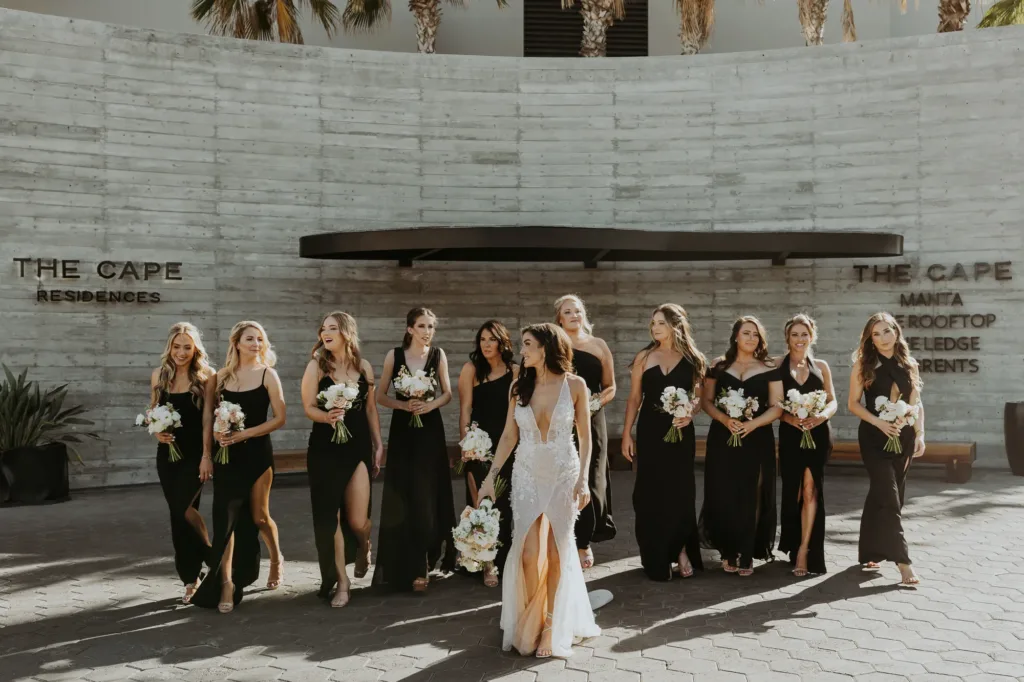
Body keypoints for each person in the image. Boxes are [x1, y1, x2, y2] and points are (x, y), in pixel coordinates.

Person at [479, 323, 601, 658]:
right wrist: (491, 475)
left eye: (528, 344)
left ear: (547, 347)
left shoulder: (575, 385)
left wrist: (583, 480)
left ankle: (549, 625)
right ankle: (531, 618)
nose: (523, 351)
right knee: (529, 554)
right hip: (527, 474)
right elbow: (508, 436)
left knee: (557, 551)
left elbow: (586, 438)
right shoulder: (519, 387)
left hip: (564, 473)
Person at [192, 321, 287, 612]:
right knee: (225, 522)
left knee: (259, 517)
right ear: (236, 343)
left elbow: (279, 418)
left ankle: (275, 559)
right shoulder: (219, 378)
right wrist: (207, 452)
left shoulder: (268, 375)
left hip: (257, 454)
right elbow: (208, 418)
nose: (256, 344)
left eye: (260, 339)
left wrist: (245, 433)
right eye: (250, 339)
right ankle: (227, 584)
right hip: (226, 458)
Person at [301, 312, 383, 607]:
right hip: (324, 448)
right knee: (330, 516)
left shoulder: (364, 367)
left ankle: (363, 545)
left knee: (358, 519)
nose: (326, 333)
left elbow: (371, 410)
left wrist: (378, 444)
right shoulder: (317, 366)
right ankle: (342, 582)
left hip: (358, 445)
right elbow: (308, 406)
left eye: (333, 328)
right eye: (323, 328)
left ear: (347, 332)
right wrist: (327, 416)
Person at [372, 307, 457, 592]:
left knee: (427, 494)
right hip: (403, 430)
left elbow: (447, 393)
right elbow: (380, 395)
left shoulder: (438, 355)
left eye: (431, 326)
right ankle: (404, 564)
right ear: (410, 329)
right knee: (404, 494)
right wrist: (403, 404)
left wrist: (429, 405)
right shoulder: (393, 356)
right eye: (422, 326)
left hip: (430, 431)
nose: (427, 331)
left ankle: (425, 565)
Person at [621, 304, 706, 581]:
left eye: (660, 323)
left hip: (680, 434)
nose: (655, 328)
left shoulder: (693, 358)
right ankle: (656, 556)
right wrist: (626, 434)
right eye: (653, 323)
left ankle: (681, 550)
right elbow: (634, 399)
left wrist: (689, 413)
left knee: (680, 493)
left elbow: (698, 399)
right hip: (650, 432)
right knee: (650, 494)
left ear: (675, 325)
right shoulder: (644, 356)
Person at [699, 316, 783, 577]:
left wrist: (752, 424)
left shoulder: (770, 367)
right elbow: (707, 401)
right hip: (723, 437)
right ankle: (729, 550)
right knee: (724, 492)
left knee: (753, 493)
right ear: (736, 336)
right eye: (746, 333)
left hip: (757, 437)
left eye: (755, 334)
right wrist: (726, 419)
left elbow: (778, 407)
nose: (751, 338)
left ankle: (747, 552)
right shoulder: (718, 366)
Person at [847, 312, 925, 586]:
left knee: (887, 494)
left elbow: (916, 402)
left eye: (886, 331)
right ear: (869, 338)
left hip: (902, 438)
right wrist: (880, 422)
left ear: (896, 332)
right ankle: (904, 563)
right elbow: (853, 404)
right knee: (889, 497)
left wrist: (919, 433)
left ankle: (871, 551)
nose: (882, 338)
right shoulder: (863, 365)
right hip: (873, 436)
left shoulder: (910, 364)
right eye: (876, 334)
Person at [149, 322, 215, 604]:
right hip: (168, 455)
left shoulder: (207, 377)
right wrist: (157, 432)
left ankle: (211, 556)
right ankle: (191, 578)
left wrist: (206, 456)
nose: (181, 352)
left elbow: (208, 420)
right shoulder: (160, 375)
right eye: (177, 347)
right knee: (178, 516)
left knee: (184, 508)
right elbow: (153, 412)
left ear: (195, 349)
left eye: (187, 347)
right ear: (170, 347)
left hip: (194, 455)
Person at [457, 320, 518, 586]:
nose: (485, 345)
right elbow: (465, 410)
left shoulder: (516, 371)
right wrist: (467, 443)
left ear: (502, 342)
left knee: (505, 503)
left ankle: (505, 558)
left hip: (508, 442)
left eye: (491, 339)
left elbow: (517, 411)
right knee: (482, 503)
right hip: (479, 444)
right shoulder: (471, 370)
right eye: (482, 340)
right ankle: (486, 563)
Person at [776, 314, 837, 577]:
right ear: (787, 338)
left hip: (818, 434)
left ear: (811, 336)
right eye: (794, 335)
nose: (800, 339)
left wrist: (821, 416)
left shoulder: (821, 366)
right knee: (794, 492)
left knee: (811, 490)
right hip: (790, 435)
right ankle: (791, 543)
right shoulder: (777, 365)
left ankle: (805, 550)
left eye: (804, 334)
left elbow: (833, 400)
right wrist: (791, 418)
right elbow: (773, 403)